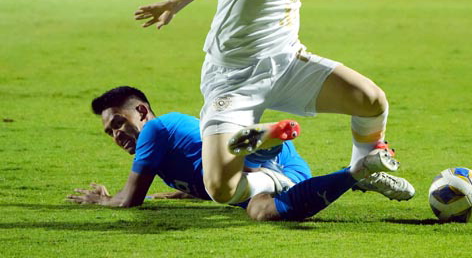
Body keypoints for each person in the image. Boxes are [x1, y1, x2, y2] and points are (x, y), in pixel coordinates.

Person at [134, 0, 407, 206]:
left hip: (286, 63)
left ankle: (365, 169)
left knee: (371, 100)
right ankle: (274, 172)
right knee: (221, 190)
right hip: (233, 78)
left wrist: (175, 2)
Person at [67, 86, 415, 221]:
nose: (117, 135)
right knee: (259, 210)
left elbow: (129, 201)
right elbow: (196, 168)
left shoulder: (155, 130)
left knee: (234, 156)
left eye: (119, 123)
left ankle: (265, 138)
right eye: (110, 132)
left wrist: (103, 200)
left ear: (142, 112)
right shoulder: (166, 145)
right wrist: (188, 192)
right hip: (282, 175)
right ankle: (357, 173)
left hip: (258, 162)